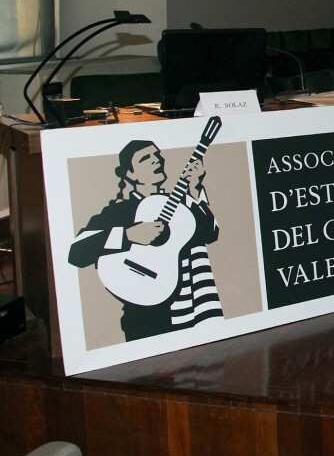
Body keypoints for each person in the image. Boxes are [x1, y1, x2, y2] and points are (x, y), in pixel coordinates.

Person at [68, 139, 223, 342]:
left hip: (195, 306)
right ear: (129, 174)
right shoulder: (120, 211)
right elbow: (76, 252)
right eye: (145, 158)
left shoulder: (182, 204)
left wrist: (195, 188)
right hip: (147, 315)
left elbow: (211, 233)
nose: (156, 160)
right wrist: (128, 235)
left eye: (157, 155)